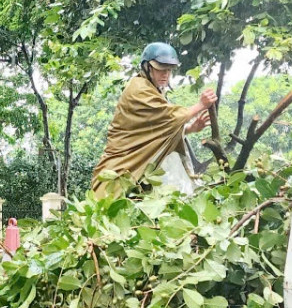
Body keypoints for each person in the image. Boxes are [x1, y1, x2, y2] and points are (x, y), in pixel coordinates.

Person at [91, 42, 217, 196]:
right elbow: (168, 117)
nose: (165, 74)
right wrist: (200, 105)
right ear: (147, 67)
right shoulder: (139, 89)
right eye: (160, 69)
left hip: (143, 168)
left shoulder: (153, 90)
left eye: (169, 70)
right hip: (122, 164)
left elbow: (155, 129)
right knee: (110, 202)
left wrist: (190, 129)